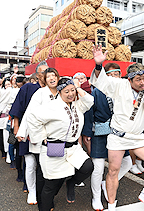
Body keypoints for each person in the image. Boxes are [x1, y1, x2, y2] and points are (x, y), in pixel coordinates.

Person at [91, 45, 144, 211]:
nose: (142, 82)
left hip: (137, 136)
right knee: (113, 171)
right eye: (138, 79)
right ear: (129, 79)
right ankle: (111, 205)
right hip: (117, 136)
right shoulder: (120, 84)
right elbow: (101, 80)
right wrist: (98, 65)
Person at [27, 77, 94, 211]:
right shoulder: (52, 106)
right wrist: (41, 136)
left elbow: (90, 100)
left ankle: (71, 182)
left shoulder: (77, 105)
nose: (70, 94)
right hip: (55, 147)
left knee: (88, 167)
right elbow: (32, 117)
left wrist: (78, 88)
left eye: (72, 91)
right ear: (59, 92)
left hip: (74, 147)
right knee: (52, 183)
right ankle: (44, 207)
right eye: (66, 91)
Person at [83, 63, 132, 211]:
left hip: (119, 133)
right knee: (98, 168)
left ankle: (107, 183)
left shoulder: (126, 90)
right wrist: (87, 134)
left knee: (127, 163)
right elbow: (89, 113)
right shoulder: (96, 92)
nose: (113, 78)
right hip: (100, 133)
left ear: (120, 75)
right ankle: (96, 197)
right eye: (109, 75)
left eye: (116, 74)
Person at [16, 67, 60, 206]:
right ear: (44, 79)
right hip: (40, 137)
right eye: (49, 76)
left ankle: (48, 196)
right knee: (39, 168)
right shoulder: (40, 93)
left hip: (57, 137)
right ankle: (40, 198)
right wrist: (22, 132)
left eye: (54, 75)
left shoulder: (62, 92)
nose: (52, 78)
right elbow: (29, 113)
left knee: (54, 168)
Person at [10, 61, 49, 207]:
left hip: (47, 133)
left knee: (46, 163)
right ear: (38, 74)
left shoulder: (54, 90)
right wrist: (17, 127)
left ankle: (44, 190)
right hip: (29, 130)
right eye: (43, 72)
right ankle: (31, 190)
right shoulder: (28, 88)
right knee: (31, 162)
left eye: (48, 71)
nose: (46, 74)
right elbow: (18, 108)